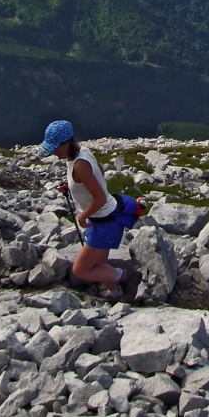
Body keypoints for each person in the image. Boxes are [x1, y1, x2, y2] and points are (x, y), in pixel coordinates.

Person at [40, 120, 143, 302]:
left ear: (67, 143)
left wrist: (83, 216)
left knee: (80, 269)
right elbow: (100, 173)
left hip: (104, 221)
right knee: (99, 265)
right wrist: (73, 188)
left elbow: (100, 198)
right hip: (104, 218)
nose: (53, 152)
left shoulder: (79, 165)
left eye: (55, 148)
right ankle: (117, 295)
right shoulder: (82, 153)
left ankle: (127, 277)